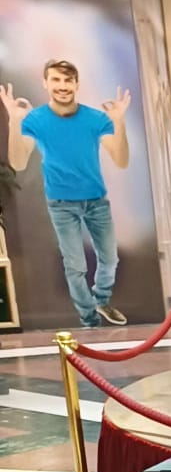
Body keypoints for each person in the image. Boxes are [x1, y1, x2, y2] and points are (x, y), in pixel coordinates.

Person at [1, 61, 130, 327]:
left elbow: (121, 160)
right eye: (56, 80)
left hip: (96, 200)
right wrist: (15, 121)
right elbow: (18, 163)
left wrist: (119, 122)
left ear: (76, 84)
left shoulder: (96, 119)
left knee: (110, 259)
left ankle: (102, 300)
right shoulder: (35, 119)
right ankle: (89, 319)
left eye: (68, 80)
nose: (62, 86)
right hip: (61, 204)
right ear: (45, 83)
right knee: (76, 266)